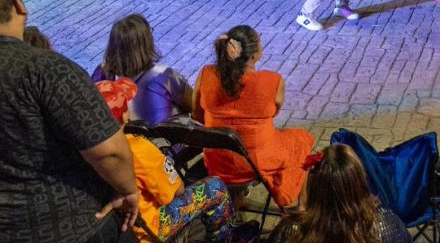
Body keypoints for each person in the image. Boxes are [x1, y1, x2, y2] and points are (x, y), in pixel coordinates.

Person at [0, 0, 142, 242]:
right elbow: (109, 152)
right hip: (76, 224)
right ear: (19, 5)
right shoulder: (45, 69)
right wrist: (128, 190)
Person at [95, 78, 253, 243]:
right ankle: (224, 239)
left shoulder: (85, 153)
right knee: (215, 187)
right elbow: (176, 192)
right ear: (123, 116)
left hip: (119, 227)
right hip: (150, 227)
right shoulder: (138, 147)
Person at [193, 26, 315, 209]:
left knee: (234, 141)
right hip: (256, 163)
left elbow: (197, 114)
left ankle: (237, 199)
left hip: (217, 162)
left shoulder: (206, 74)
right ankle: (303, 208)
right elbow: (273, 113)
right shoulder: (272, 81)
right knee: (301, 139)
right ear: (253, 55)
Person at [267, 144, 410, 243]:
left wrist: (302, 205)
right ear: (359, 183)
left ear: (313, 186)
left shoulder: (292, 230)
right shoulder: (385, 223)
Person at [90, 14, 193, 125]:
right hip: (163, 135)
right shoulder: (164, 75)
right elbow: (195, 105)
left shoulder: (101, 73)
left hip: (120, 134)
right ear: (145, 43)